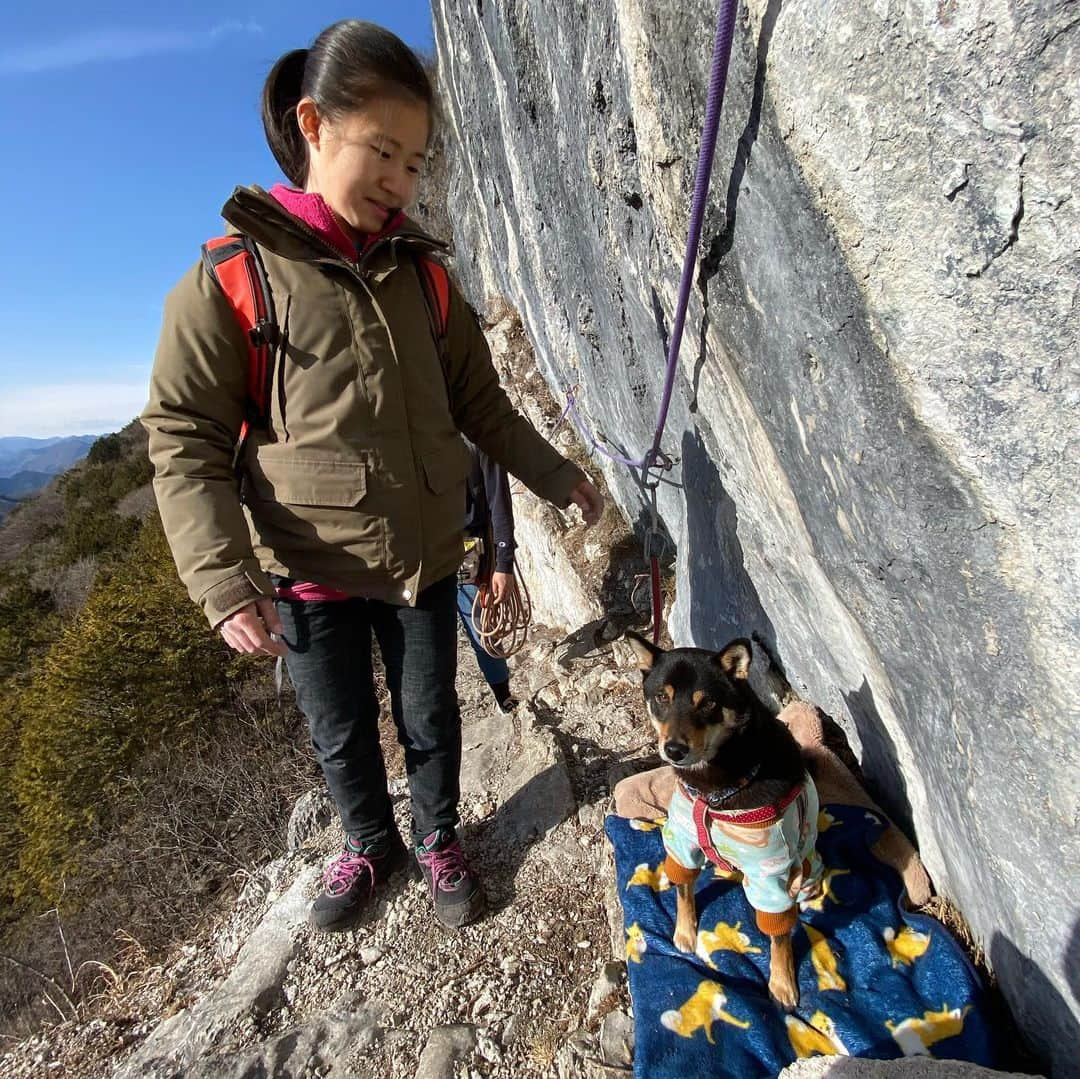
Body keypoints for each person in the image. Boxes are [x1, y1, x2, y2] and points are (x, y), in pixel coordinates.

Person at [142, 20, 603, 933]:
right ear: (313, 125)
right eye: (381, 151)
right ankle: (368, 841)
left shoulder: (426, 279)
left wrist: (562, 480)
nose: (399, 180)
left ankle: (436, 836)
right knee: (343, 731)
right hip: (307, 568)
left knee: (431, 714)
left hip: (425, 557)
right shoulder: (232, 276)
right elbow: (184, 434)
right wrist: (223, 581)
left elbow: (486, 406)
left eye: (417, 161)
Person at [458, 438, 520, 714]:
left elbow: (499, 504)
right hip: (427, 559)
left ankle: (503, 697)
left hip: (469, 555)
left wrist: (504, 564)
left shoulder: (476, 441)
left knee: (484, 633)